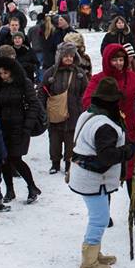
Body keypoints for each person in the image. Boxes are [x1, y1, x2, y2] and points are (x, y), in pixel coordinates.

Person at [84, 43, 135, 231]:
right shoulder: (99, 79)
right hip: (107, 134)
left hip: (130, 132)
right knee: (107, 174)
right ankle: (104, 214)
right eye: (115, 60)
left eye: (121, 59)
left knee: (133, 175)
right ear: (107, 60)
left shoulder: (131, 77)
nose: (119, 63)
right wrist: (106, 111)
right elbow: (87, 101)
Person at [69, 76, 135, 268]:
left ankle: (94, 253)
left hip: (87, 176)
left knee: (98, 217)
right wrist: (131, 149)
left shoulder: (89, 114)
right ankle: (88, 264)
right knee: (99, 219)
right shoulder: (104, 125)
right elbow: (108, 156)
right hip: (93, 179)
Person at [0, 54, 42, 205]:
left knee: (15, 158)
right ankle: (10, 190)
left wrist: (28, 125)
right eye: (0, 73)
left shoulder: (24, 83)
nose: (3, 76)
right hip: (3, 127)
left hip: (20, 127)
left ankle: (32, 186)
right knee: (4, 159)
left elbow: (33, 104)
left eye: (5, 73)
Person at [38, 42, 89, 175]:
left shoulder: (79, 73)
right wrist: (42, 108)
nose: (68, 58)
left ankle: (68, 164)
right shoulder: (51, 72)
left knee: (70, 141)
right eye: (66, 56)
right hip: (55, 112)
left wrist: (81, 105)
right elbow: (42, 91)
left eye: (71, 56)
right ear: (60, 56)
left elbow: (87, 92)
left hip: (74, 112)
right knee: (54, 139)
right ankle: (55, 163)